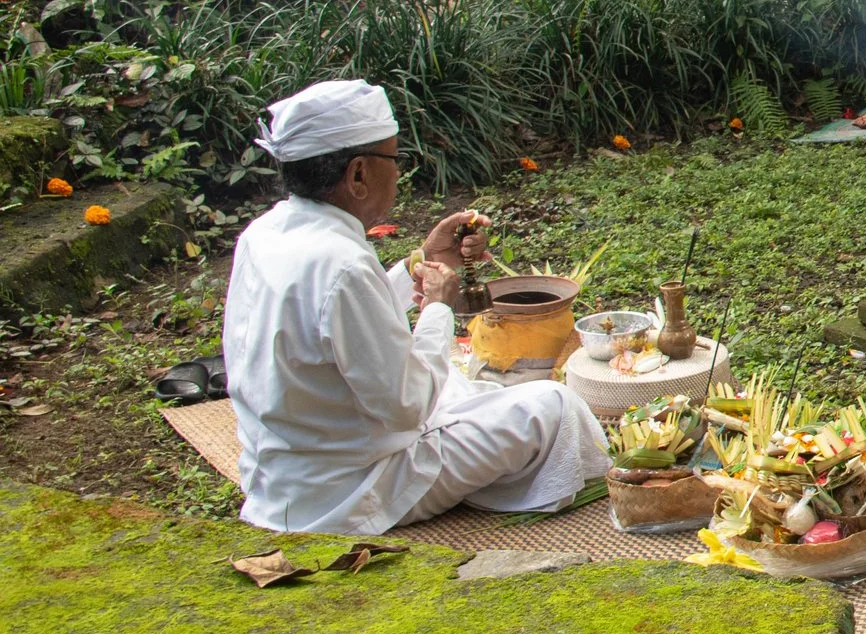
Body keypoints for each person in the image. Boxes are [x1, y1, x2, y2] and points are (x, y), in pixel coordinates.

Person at [224, 80, 608, 535]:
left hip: (290, 475)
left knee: (472, 391)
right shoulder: (340, 262)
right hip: (354, 489)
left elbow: (340, 325)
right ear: (359, 174)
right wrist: (438, 310)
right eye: (395, 160)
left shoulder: (264, 233)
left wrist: (420, 267)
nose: (400, 174)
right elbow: (407, 406)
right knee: (552, 405)